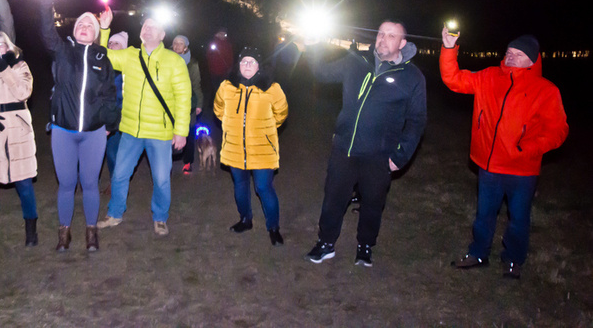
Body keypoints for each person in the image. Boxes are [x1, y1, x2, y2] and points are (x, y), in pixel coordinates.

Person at [440, 30, 568, 279]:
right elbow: (453, 79)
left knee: (519, 219)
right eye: (509, 52)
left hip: (522, 170)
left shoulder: (546, 90)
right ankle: (478, 253)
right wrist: (448, 49)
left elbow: (559, 130)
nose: (511, 57)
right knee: (484, 214)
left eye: (518, 55)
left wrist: (527, 149)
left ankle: (513, 260)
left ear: (532, 61)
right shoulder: (489, 76)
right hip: (488, 165)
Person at [304, 21, 427, 267]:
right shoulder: (356, 61)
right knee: (333, 198)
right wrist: (312, 46)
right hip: (344, 148)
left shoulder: (412, 77)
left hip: (379, 155)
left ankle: (365, 246)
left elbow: (417, 121)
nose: (383, 39)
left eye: (391, 35)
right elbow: (321, 73)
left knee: (372, 203)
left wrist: (400, 156)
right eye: (381, 33)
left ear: (403, 43)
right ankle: (326, 243)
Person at [39, 0, 119, 252]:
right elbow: (47, 32)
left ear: (95, 34)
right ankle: (64, 234)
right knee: (66, 184)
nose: (85, 27)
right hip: (63, 131)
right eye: (81, 24)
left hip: (94, 133)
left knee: (89, 184)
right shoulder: (63, 52)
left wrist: (109, 124)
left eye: (90, 25)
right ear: (75, 30)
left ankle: (91, 233)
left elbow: (110, 94)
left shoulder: (101, 58)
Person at [97, 9, 192, 236]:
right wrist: (104, 29)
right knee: (119, 174)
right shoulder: (130, 55)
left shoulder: (174, 61)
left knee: (161, 179)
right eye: (144, 25)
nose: (147, 28)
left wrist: (181, 131)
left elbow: (183, 97)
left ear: (162, 34)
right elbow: (103, 56)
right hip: (130, 131)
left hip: (160, 133)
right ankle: (115, 214)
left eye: (153, 26)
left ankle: (160, 217)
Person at [215, 47, 288, 245]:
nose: (247, 65)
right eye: (244, 61)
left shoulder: (271, 88)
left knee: (263, 187)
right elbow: (218, 109)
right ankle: (245, 219)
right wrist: (232, 126)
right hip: (234, 146)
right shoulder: (227, 87)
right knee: (240, 185)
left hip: (262, 148)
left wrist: (265, 130)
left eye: (252, 62)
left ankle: (273, 227)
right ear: (238, 65)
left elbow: (281, 113)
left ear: (259, 66)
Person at [0, 30, 39, 246]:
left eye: (2, 45)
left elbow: (23, 93)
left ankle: (31, 230)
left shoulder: (20, 67)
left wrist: (5, 70)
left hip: (18, 130)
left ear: (8, 47)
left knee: (24, 182)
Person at [171, 34, 203, 174]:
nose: (177, 46)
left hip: (187, 102)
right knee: (167, 133)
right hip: (169, 102)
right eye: (175, 43)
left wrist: (199, 104)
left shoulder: (193, 63)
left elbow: (196, 85)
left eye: (180, 43)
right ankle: (166, 163)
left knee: (188, 132)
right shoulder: (164, 58)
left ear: (185, 47)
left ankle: (188, 162)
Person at [103, 31, 129, 182]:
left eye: (116, 43)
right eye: (110, 43)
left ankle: (116, 182)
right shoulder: (101, 65)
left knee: (114, 152)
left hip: (120, 116)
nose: (111, 45)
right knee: (104, 152)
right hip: (102, 116)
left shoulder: (127, 67)